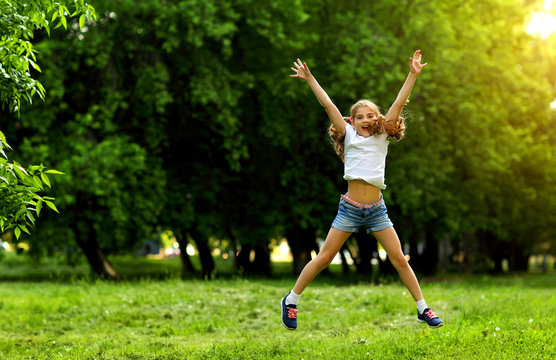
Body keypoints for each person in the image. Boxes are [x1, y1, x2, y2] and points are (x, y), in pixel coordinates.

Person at [281, 50, 444, 330]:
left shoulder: (383, 135)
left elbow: (399, 102)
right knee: (324, 258)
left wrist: (413, 74)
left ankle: (423, 308)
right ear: (351, 121)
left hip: (377, 209)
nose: (367, 120)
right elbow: (328, 104)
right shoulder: (349, 135)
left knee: (398, 259)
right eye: (360, 117)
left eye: (371, 115)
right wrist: (310, 79)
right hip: (350, 209)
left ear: (378, 118)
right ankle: (291, 300)